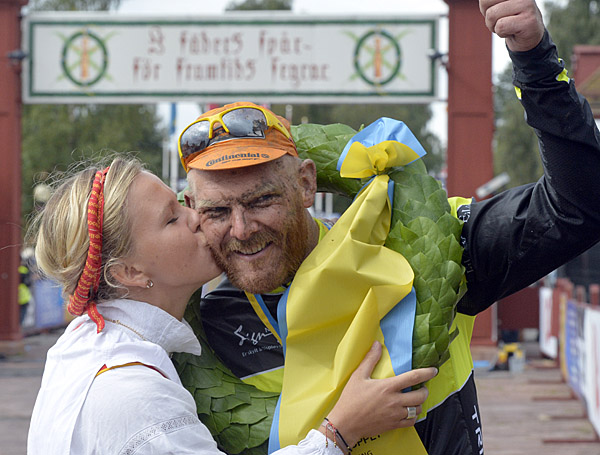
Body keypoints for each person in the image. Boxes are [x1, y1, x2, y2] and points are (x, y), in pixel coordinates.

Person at [177, 0, 600, 454]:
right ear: (191, 209)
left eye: (262, 200)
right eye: (218, 212)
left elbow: (578, 208)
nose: (242, 229)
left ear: (305, 184)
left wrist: (535, 61)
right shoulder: (188, 331)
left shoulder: (426, 240)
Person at [26, 157, 437, 455]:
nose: (197, 218)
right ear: (129, 272)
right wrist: (340, 431)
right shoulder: (132, 393)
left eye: (183, 204)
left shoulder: (84, 346)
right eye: (172, 219)